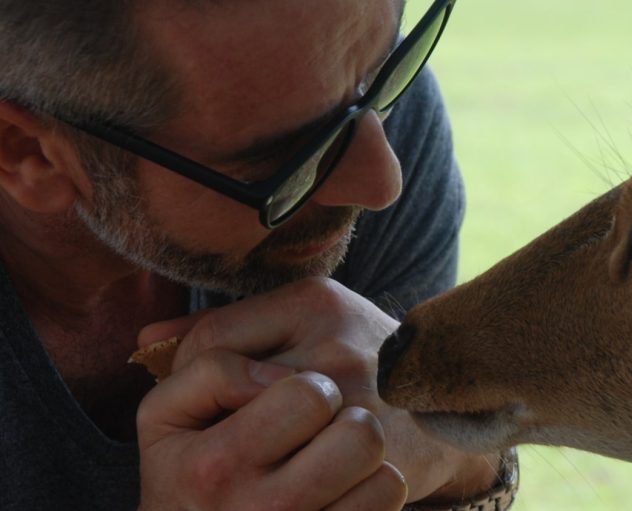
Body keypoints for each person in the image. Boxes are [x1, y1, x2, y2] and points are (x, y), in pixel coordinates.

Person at [0, 0, 516, 509]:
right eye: (287, 159)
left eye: (382, 73)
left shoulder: (358, 103)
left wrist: (461, 452)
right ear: (27, 155)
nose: (382, 183)